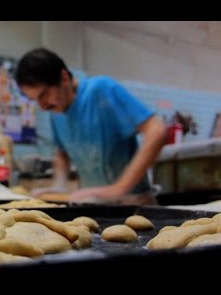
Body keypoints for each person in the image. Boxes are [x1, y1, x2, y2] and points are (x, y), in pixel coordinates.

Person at [15, 48, 167, 205]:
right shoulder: (56, 112)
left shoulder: (101, 90)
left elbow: (156, 130)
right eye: (35, 100)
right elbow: (61, 152)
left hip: (132, 203)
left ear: (64, 78)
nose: (42, 106)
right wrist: (59, 186)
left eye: (43, 95)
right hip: (92, 205)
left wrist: (119, 187)